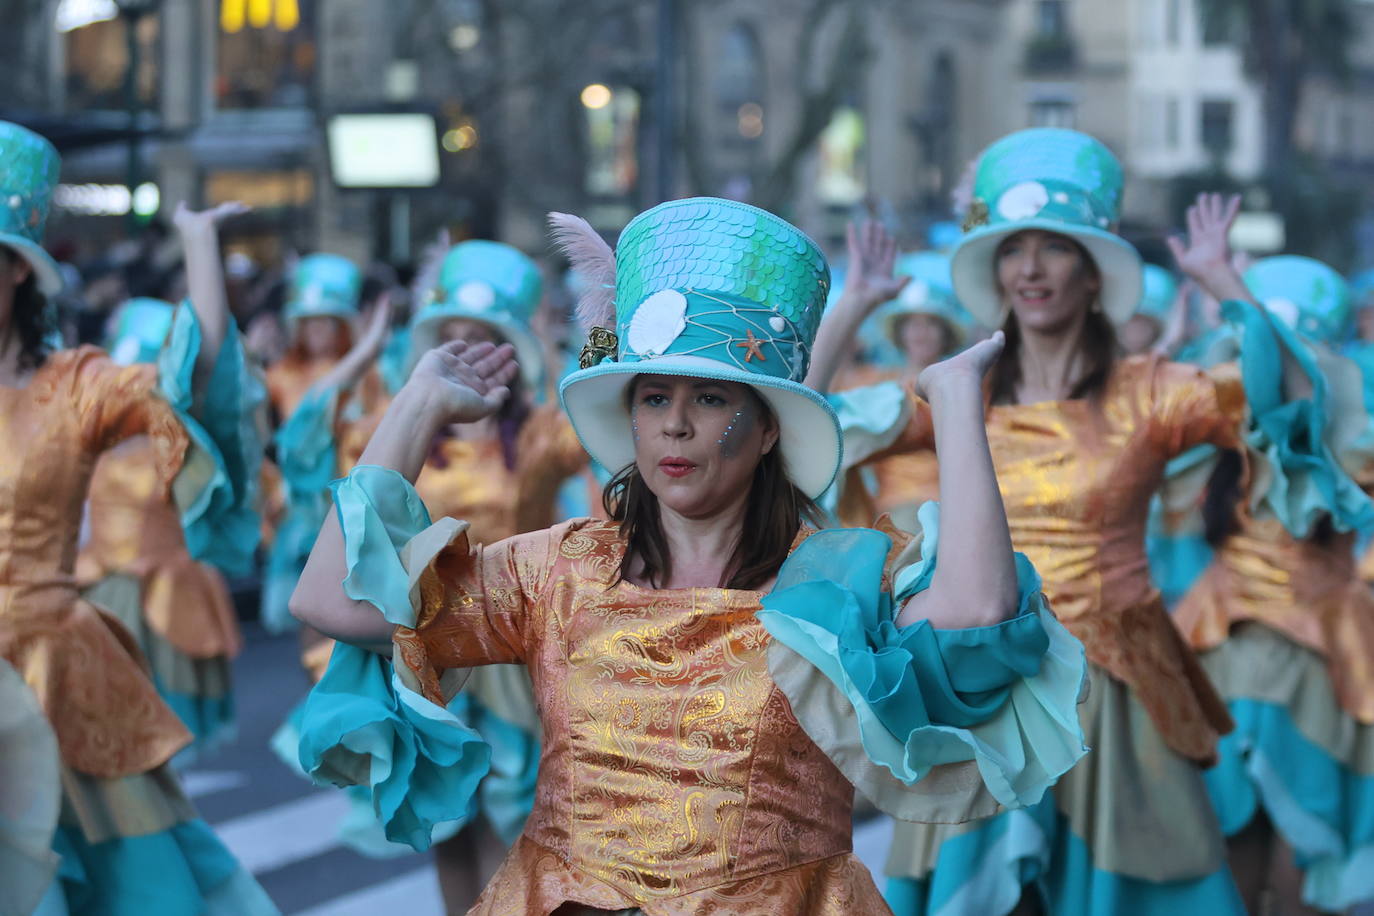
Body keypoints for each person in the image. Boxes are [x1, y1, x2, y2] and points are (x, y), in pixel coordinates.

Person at [289, 197, 1088, 914]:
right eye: (653, 397)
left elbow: (982, 610)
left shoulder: (838, 578)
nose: (675, 425)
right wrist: (418, 406)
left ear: (768, 427)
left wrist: (953, 403)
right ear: (630, 421)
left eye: (709, 399)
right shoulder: (555, 571)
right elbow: (329, 604)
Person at [809, 128, 1366, 915]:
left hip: (1114, 701)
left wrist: (1223, 281)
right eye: (1010, 250)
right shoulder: (957, 388)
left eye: (1053, 248)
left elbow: (1298, 405)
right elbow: (801, 432)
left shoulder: (1153, 391)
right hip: (981, 694)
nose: (1029, 268)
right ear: (994, 271)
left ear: (1095, 271)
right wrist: (852, 307)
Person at [0, 120, 276, 913]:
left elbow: (194, 385)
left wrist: (197, 251)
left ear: (17, 271)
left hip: (56, 681)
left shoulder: (76, 385)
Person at [274, 239, 586, 910]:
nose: (470, 349)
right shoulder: (402, 429)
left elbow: (598, 413)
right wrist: (369, 355)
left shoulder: (537, 435)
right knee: (447, 826)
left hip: (513, 654)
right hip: (431, 648)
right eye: (454, 336)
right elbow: (303, 442)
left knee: (517, 826)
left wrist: (583, 334)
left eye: (486, 336)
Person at [1171, 255, 1374, 915]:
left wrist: (1230, 297)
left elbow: (1296, 420)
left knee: (1292, 850)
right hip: (1245, 658)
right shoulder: (1227, 432)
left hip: (1295, 664)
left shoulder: (1342, 433)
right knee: (1252, 844)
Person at [77, 297, 259, 760]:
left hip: (169, 598)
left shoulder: (183, 440)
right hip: (102, 596)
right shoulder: (84, 433)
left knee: (161, 750)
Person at [260, 252, 385, 633]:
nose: (315, 332)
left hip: (347, 497)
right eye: (307, 323)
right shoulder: (281, 374)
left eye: (325, 322)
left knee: (347, 608)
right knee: (307, 610)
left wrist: (367, 347)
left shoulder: (367, 374)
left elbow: (376, 416)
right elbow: (286, 432)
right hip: (299, 502)